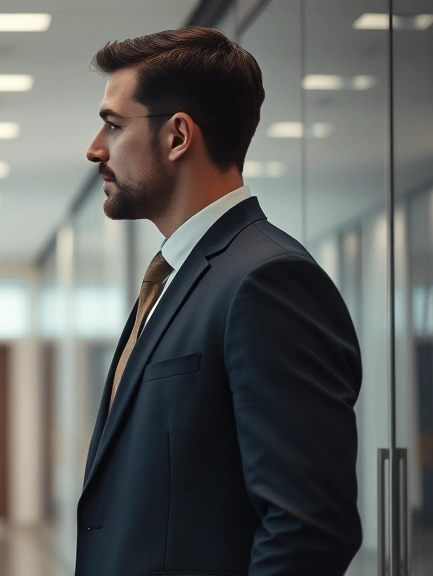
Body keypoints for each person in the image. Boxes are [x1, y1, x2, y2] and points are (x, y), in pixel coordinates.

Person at [77, 27, 362, 575]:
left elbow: (308, 528)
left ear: (178, 136)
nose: (95, 148)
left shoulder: (267, 281)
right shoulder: (180, 277)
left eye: (113, 124)